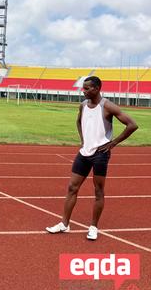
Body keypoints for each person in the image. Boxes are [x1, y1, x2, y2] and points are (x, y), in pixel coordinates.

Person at [46, 76, 138, 240]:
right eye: (84, 88)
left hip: (100, 154)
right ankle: (64, 224)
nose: (84, 91)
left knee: (98, 191)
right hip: (84, 152)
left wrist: (113, 143)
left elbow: (132, 124)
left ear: (96, 88)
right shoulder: (82, 105)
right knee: (72, 188)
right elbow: (78, 121)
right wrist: (83, 140)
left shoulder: (107, 106)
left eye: (87, 88)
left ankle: (94, 227)